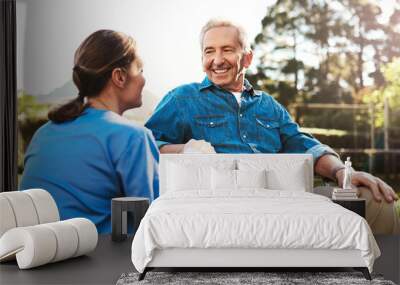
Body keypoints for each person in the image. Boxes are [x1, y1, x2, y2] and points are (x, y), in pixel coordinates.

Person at [145, 19, 399, 234]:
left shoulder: (269, 106)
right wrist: (187, 150)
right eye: (209, 51)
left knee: (373, 201)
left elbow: (304, 145)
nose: (217, 60)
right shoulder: (182, 99)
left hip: (280, 196)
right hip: (218, 201)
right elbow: (146, 146)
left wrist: (342, 173)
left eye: (227, 50)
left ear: (247, 57)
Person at [20, 30, 159, 234]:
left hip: (37, 256)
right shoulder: (132, 137)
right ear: (119, 77)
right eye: (140, 69)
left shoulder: (43, 134)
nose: (144, 80)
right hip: (100, 260)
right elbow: (154, 222)